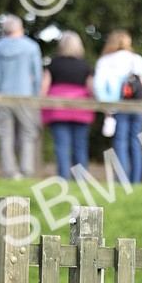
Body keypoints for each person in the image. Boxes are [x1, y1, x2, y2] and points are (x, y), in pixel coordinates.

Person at [93, 29, 142, 183]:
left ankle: (122, 181)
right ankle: (136, 182)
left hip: (118, 106)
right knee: (135, 142)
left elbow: (99, 87)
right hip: (138, 106)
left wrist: (107, 106)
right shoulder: (136, 59)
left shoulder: (105, 62)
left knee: (120, 143)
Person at [0, 14, 43, 178]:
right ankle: (26, 170)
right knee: (28, 133)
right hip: (25, 96)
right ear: (20, 28)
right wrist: (35, 95)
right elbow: (37, 75)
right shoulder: (31, 47)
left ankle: (9, 171)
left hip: (3, 96)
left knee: (6, 135)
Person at [41, 31, 95, 180]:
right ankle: (81, 179)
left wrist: (39, 105)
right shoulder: (85, 67)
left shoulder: (53, 64)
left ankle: (63, 178)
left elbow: (44, 87)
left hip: (57, 111)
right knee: (80, 146)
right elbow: (91, 89)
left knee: (61, 147)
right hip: (81, 111)